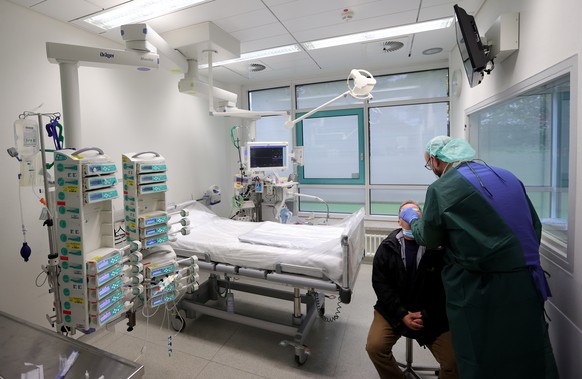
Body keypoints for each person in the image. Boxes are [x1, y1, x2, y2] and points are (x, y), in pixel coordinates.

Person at [399, 136, 559, 379]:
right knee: (530, 353)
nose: (431, 169)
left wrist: (412, 218)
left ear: (436, 161)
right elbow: (533, 228)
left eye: (429, 164)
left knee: (480, 357)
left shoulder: (442, 189)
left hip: (479, 292)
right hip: (527, 285)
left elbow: (429, 238)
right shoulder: (508, 176)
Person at [366, 201, 458, 379]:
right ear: (399, 221)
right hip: (393, 311)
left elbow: (446, 288)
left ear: (422, 219)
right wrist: (402, 314)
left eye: (415, 214)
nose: (410, 218)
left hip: (431, 315)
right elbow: (381, 285)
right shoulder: (387, 247)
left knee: (453, 363)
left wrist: (426, 313)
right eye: (406, 214)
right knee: (374, 348)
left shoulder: (437, 249)